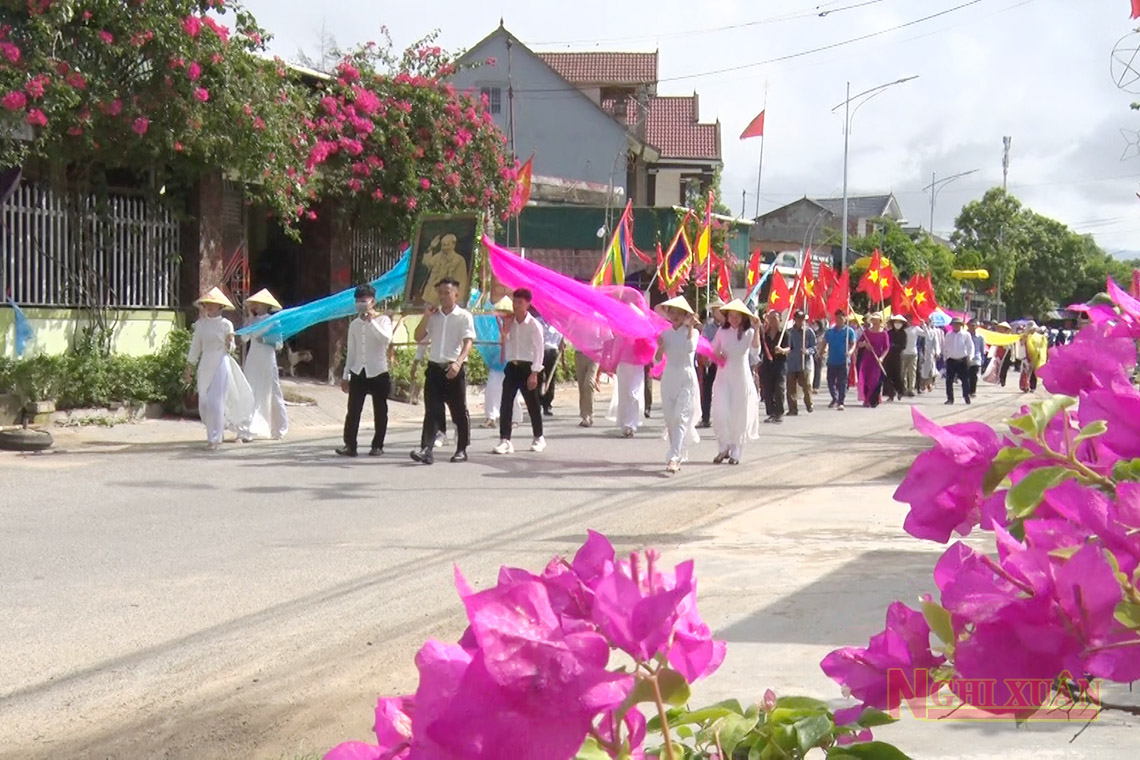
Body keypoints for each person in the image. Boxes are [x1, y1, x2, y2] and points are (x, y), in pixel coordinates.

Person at [411, 277, 475, 464]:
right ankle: (426, 449)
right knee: (431, 410)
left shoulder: (464, 316)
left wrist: (458, 363)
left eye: (447, 293)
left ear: (456, 294)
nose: (443, 296)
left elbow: (468, 342)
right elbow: (418, 336)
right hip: (434, 368)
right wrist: (426, 316)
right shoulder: (434, 316)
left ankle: (462, 449)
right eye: (440, 293)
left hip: (453, 368)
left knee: (458, 411)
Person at [184, 287, 254, 450]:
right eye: (207, 304)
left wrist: (229, 341)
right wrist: (189, 367)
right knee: (204, 400)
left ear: (220, 307)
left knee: (216, 402)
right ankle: (216, 430)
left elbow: (231, 348)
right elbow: (195, 348)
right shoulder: (201, 325)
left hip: (221, 363)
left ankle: (214, 439)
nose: (209, 307)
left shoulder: (226, 324)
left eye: (213, 304)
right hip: (205, 363)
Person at [335, 284, 394, 457]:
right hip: (358, 371)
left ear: (373, 302)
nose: (361, 304)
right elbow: (352, 352)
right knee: (353, 410)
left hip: (378, 371)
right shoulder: (354, 325)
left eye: (364, 301)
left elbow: (386, 340)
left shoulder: (383, 320)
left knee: (380, 410)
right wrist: (345, 375)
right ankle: (350, 445)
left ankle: (378, 445)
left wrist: (371, 323)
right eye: (358, 301)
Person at [493, 289, 547, 455]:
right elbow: (504, 342)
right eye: (514, 302)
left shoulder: (534, 325)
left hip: (528, 367)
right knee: (506, 403)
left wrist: (534, 373)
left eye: (519, 303)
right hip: (512, 366)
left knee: (532, 404)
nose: (516, 306)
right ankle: (505, 440)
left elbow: (539, 350)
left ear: (527, 304)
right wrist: (505, 329)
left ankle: (539, 436)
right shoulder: (511, 322)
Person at [711, 299, 761, 464]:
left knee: (739, 414)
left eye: (737, 316)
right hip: (723, 377)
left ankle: (736, 451)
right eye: (731, 316)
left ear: (743, 317)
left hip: (741, 378)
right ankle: (723, 447)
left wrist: (757, 329)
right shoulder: (721, 331)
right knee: (721, 412)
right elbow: (713, 350)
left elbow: (755, 351)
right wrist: (718, 356)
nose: (734, 319)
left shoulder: (749, 333)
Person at [654, 296, 701, 473]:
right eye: (672, 312)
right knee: (671, 419)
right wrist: (659, 348)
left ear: (685, 315)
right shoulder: (665, 335)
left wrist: (690, 327)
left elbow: (690, 348)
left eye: (679, 313)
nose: (675, 316)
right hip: (669, 379)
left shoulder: (694, 333)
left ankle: (673, 457)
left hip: (686, 378)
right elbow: (656, 361)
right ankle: (678, 453)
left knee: (680, 417)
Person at [239, 289, 288, 441]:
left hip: (267, 358)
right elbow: (244, 338)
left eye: (258, 304)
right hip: (253, 358)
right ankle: (248, 428)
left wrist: (265, 340)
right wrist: (249, 318)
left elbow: (279, 344)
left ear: (265, 305)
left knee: (271, 391)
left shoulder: (274, 321)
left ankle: (278, 428)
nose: (256, 306)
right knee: (250, 390)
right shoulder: (252, 321)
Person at [480, 298, 520, 430]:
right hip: (498, 361)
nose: (504, 315)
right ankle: (491, 417)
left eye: (506, 313)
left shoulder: (517, 325)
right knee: (491, 388)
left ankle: (515, 418)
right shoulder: (496, 323)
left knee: (512, 392)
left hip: (512, 362)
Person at [418, 234, 468, 308]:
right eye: (443, 245)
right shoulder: (438, 256)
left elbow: (461, 282)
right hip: (431, 296)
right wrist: (431, 247)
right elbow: (427, 262)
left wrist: (456, 302)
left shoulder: (459, 260)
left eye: (447, 245)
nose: (444, 248)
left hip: (448, 298)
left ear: (453, 245)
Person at [759, 311, 792, 422]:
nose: (773, 321)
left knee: (779, 388)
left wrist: (782, 350)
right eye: (771, 318)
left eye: (775, 318)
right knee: (767, 390)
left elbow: (789, 348)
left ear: (780, 320)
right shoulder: (764, 335)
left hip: (780, 364)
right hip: (767, 365)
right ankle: (771, 412)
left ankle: (779, 412)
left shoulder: (784, 334)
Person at [697, 301, 724, 428]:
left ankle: (723, 419)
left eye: (718, 309)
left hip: (725, 363)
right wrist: (705, 357)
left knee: (723, 392)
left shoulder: (727, 326)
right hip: (712, 362)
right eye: (714, 310)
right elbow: (704, 342)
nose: (716, 312)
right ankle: (705, 417)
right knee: (707, 389)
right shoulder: (708, 327)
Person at [823, 310, 857, 410]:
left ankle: (840, 402)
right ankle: (835, 397)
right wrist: (820, 353)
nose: (838, 320)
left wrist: (850, 352)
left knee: (842, 382)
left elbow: (853, 343)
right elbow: (824, 342)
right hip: (832, 361)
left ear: (845, 319)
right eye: (837, 318)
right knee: (830, 382)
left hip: (844, 361)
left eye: (841, 318)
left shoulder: (849, 331)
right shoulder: (830, 331)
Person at [785, 309, 816, 416]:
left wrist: (807, 351)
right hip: (792, 363)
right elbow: (787, 346)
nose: (800, 321)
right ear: (795, 320)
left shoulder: (808, 332)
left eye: (802, 319)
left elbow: (814, 347)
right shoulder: (789, 332)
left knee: (806, 386)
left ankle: (809, 404)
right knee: (790, 388)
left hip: (804, 363)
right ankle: (793, 409)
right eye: (798, 319)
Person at [857, 313, 890, 408]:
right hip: (867, 359)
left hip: (877, 360)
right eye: (873, 320)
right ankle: (866, 399)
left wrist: (882, 358)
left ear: (880, 321)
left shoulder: (884, 333)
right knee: (866, 379)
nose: (875, 322)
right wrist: (865, 345)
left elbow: (886, 348)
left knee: (874, 380)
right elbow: (859, 343)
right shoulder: (867, 332)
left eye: (877, 320)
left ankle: (874, 398)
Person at [943, 316, 975, 405]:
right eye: (954, 324)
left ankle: (966, 396)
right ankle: (950, 398)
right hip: (951, 359)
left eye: (958, 324)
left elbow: (970, 346)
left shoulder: (966, 335)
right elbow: (945, 347)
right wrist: (945, 358)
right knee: (949, 380)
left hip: (962, 359)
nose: (956, 326)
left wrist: (970, 357)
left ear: (961, 325)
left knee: (965, 380)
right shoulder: (948, 335)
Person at [538, 316, 562, 416]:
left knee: (550, 379)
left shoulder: (557, 324)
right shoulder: (537, 321)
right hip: (539, 351)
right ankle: (537, 402)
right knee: (538, 377)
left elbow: (559, 339)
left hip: (552, 352)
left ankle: (547, 404)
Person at [883, 315, 908, 402]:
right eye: (896, 322)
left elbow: (903, 346)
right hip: (888, 357)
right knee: (888, 376)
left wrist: (894, 346)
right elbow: (885, 344)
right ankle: (891, 394)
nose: (897, 324)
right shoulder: (889, 333)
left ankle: (900, 391)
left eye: (899, 322)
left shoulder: (903, 334)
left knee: (898, 375)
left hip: (898, 357)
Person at [575, 341, 598, 428]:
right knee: (582, 385)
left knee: (589, 383)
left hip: (595, 353)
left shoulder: (601, 326)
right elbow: (570, 332)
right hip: (579, 353)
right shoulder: (578, 326)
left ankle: (589, 414)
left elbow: (607, 336)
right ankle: (584, 415)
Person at [902, 317, 921, 398]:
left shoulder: (916, 329)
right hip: (903, 353)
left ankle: (911, 389)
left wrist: (924, 325)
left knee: (912, 372)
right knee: (903, 372)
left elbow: (926, 334)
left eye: (910, 319)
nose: (909, 321)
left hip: (913, 353)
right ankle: (904, 389)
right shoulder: (902, 330)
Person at [920, 319, 942, 393]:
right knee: (921, 369)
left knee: (930, 369)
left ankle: (928, 384)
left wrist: (937, 352)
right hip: (921, 352)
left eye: (928, 322)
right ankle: (922, 384)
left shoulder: (932, 332)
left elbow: (936, 343)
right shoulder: (918, 330)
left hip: (930, 353)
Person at [1026, 323, 1048, 392]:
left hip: (1036, 357)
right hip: (1027, 356)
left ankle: (1032, 387)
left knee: (1033, 372)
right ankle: (1025, 386)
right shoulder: (1028, 336)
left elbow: (1044, 346)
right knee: (1026, 372)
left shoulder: (1041, 337)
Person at [967, 319, 986, 397]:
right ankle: (967, 390)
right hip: (967, 357)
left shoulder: (980, 337)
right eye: (971, 325)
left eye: (974, 326)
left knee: (974, 375)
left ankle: (972, 391)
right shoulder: (965, 336)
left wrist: (982, 358)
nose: (972, 327)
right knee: (967, 375)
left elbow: (982, 349)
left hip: (976, 358)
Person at [812, 320, 826, 392]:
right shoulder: (810, 332)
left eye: (816, 324)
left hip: (819, 353)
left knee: (817, 370)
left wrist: (822, 352)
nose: (814, 325)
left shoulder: (823, 334)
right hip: (811, 353)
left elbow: (825, 344)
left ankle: (816, 386)